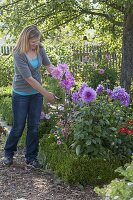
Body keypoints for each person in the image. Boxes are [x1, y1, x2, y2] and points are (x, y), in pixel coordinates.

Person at [3, 24, 55, 168]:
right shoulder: (18, 54)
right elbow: (29, 79)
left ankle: (31, 158)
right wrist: (46, 93)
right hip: (21, 94)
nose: (35, 44)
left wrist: (61, 74)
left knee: (34, 127)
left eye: (37, 41)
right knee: (19, 126)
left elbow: (49, 66)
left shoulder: (40, 49)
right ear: (26, 40)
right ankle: (8, 153)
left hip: (36, 95)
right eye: (33, 42)